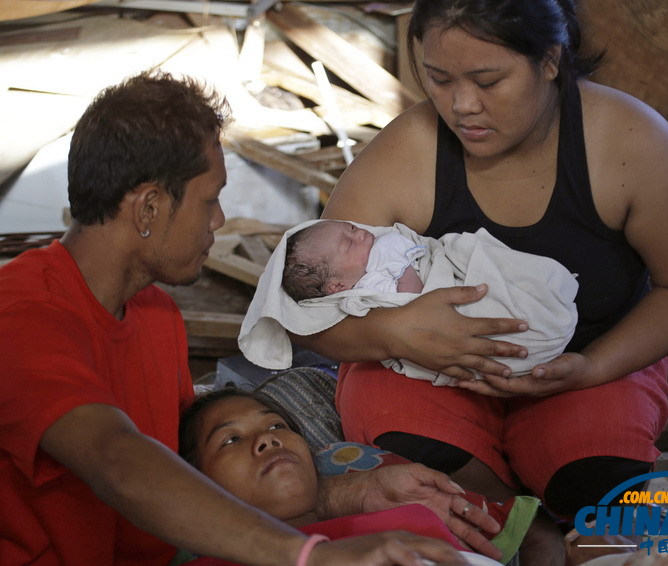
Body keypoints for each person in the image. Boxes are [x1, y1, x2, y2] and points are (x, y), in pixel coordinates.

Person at [0, 70, 503, 566]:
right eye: (210, 199)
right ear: (149, 208)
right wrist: (311, 556)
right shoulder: (20, 315)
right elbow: (118, 459)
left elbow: (192, 472)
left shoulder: (157, 317)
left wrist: (346, 493)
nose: (219, 221)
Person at [286, 0, 668, 554]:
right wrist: (395, 334)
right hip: (432, 370)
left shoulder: (630, 144)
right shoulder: (410, 148)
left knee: (597, 481)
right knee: (412, 453)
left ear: (550, 61)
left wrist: (591, 368)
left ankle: (560, 509)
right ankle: (520, 524)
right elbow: (304, 314)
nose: (462, 105)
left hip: (590, 360)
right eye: (438, 79)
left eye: (489, 80)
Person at [176, 387, 542, 565]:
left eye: (277, 425)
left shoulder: (410, 521)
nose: (268, 439)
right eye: (231, 439)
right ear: (194, 484)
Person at [238, 218, 578, 386]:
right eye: (349, 243)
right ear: (338, 285)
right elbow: (414, 306)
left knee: (469, 251)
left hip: (453, 269)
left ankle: (540, 298)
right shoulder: (368, 288)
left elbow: (427, 249)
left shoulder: (377, 250)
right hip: (450, 312)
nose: (361, 234)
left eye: (353, 228)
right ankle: (540, 320)